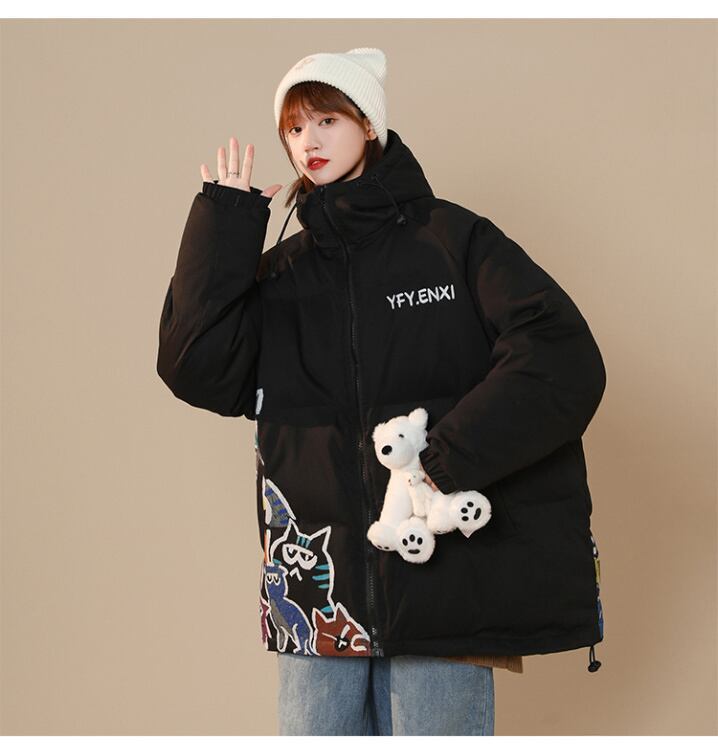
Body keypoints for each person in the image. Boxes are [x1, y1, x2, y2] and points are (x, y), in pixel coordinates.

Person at [156, 47, 606, 736]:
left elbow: (563, 356)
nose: (307, 141)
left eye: (327, 120)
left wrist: (445, 461)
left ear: (369, 125)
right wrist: (224, 228)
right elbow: (194, 365)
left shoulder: (451, 241)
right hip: (320, 594)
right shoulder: (284, 275)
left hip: (442, 575)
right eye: (294, 128)